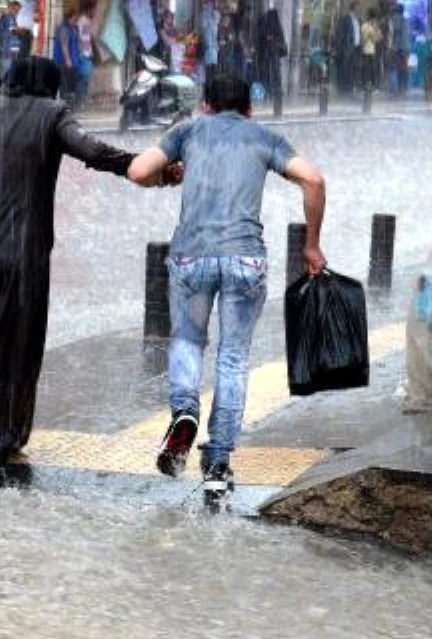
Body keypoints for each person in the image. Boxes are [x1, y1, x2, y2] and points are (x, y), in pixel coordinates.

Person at [0, 57, 143, 488]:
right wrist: (139, 165)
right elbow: (92, 150)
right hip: (19, 255)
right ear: (49, 87)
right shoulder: (52, 115)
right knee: (15, 343)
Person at [127, 74, 327, 511]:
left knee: (187, 341)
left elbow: (137, 170)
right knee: (233, 358)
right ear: (249, 108)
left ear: (205, 105)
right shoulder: (265, 136)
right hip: (245, 261)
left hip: (191, 257)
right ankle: (217, 466)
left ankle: (184, 413)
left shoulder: (188, 131)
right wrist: (311, 244)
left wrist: (166, 178)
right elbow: (313, 181)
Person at [0, 1, 23, 87]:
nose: (17, 12)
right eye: (15, 10)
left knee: (7, 72)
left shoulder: (12, 19)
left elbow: (12, 33)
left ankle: (1, 89)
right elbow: (3, 34)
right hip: (6, 52)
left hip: (12, 52)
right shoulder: (5, 18)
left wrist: (17, 33)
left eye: (18, 11)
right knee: (4, 71)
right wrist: (16, 31)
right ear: (10, 8)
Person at [334, 0, 361, 96]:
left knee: (351, 69)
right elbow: (340, 34)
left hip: (355, 48)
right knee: (344, 68)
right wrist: (340, 47)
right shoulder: (345, 19)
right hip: (347, 47)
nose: (359, 10)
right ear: (354, 8)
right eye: (358, 7)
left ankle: (349, 88)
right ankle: (343, 89)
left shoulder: (357, 20)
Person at [360, 8, 382, 93]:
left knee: (373, 70)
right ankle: (364, 86)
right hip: (366, 51)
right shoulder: (364, 26)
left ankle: (374, 87)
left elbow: (379, 38)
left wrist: (376, 30)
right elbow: (363, 41)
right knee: (366, 70)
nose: (374, 20)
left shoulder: (375, 26)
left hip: (373, 51)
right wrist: (369, 36)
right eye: (374, 19)